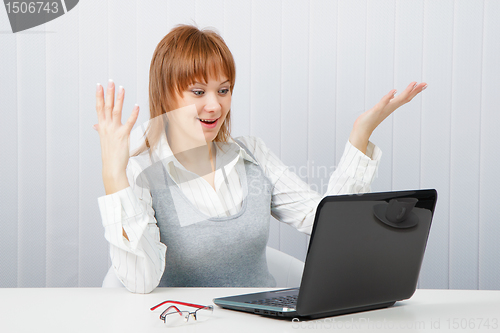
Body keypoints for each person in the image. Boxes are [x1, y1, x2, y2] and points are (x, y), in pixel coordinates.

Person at [94, 24, 427, 293]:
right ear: (166, 93)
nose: (214, 106)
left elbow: (324, 223)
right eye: (198, 92)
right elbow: (141, 281)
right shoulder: (140, 173)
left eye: (223, 90)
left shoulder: (250, 154)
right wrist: (114, 175)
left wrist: (360, 135)